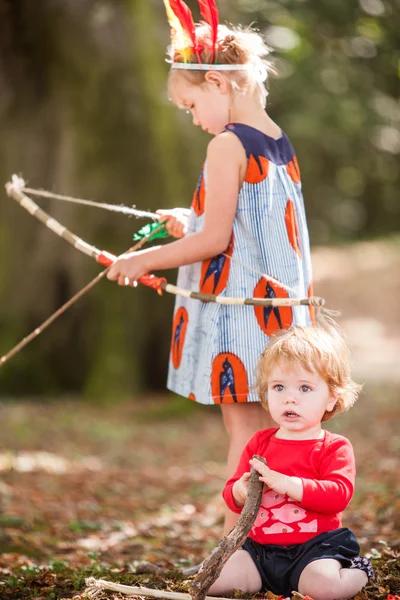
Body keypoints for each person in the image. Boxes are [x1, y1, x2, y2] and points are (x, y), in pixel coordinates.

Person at [107, 1, 314, 532]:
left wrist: (140, 261)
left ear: (219, 84)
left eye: (191, 104)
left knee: (244, 429)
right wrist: (190, 216)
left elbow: (216, 239)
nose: (193, 118)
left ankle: (234, 545)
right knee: (277, 428)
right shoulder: (275, 138)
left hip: (242, 315)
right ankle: (278, 535)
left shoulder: (227, 144)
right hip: (278, 313)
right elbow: (249, 221)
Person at [207, 324, 374, 600]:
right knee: (213, 579)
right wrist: (239, 490)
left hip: (315, 550)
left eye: (305, 387)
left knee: (324, 588)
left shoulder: (333, 446)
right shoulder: (259, 442)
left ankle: (359, 571)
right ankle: (263, 582)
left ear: (332, 397)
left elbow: (338, 496)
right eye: (279, 386)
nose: (290, 397)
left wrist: (289, 485)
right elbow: (230, 492)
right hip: (260, 551)